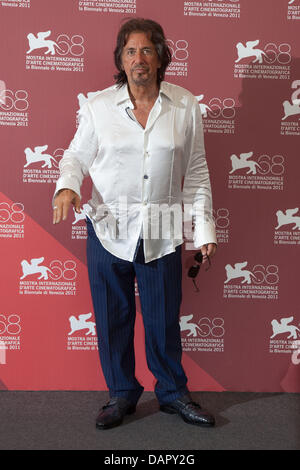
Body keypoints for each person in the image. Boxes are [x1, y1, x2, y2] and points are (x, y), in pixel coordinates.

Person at [52, 18, 217, 430]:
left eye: (147, 50)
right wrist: (66, 187)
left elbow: (196, 170)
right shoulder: (97, 107)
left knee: (163, 319)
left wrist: (204, 230)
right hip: (108, 228)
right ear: (120, 60)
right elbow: (75, 156)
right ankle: (121, 394)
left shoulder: (185, 105)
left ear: (161, 56)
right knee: (113, 318)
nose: (139, 59)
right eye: (130, 51)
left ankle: (172, 393)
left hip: (161, 229)